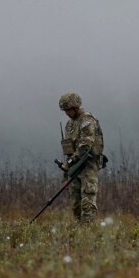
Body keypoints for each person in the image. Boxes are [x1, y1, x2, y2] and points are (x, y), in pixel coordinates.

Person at [58, 92, 105, 223]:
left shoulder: (87, 120)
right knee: (75, 202)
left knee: (87, 200)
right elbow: (68, 150)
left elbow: (86, 146)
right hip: (74, 167)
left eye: (69, 110)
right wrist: (66, 172)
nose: (67, 113)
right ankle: (79, 230)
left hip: (88, 164)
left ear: (76, 107)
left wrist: (70, 162)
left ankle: (88, 232)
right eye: (65, 110)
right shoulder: (69, 125)